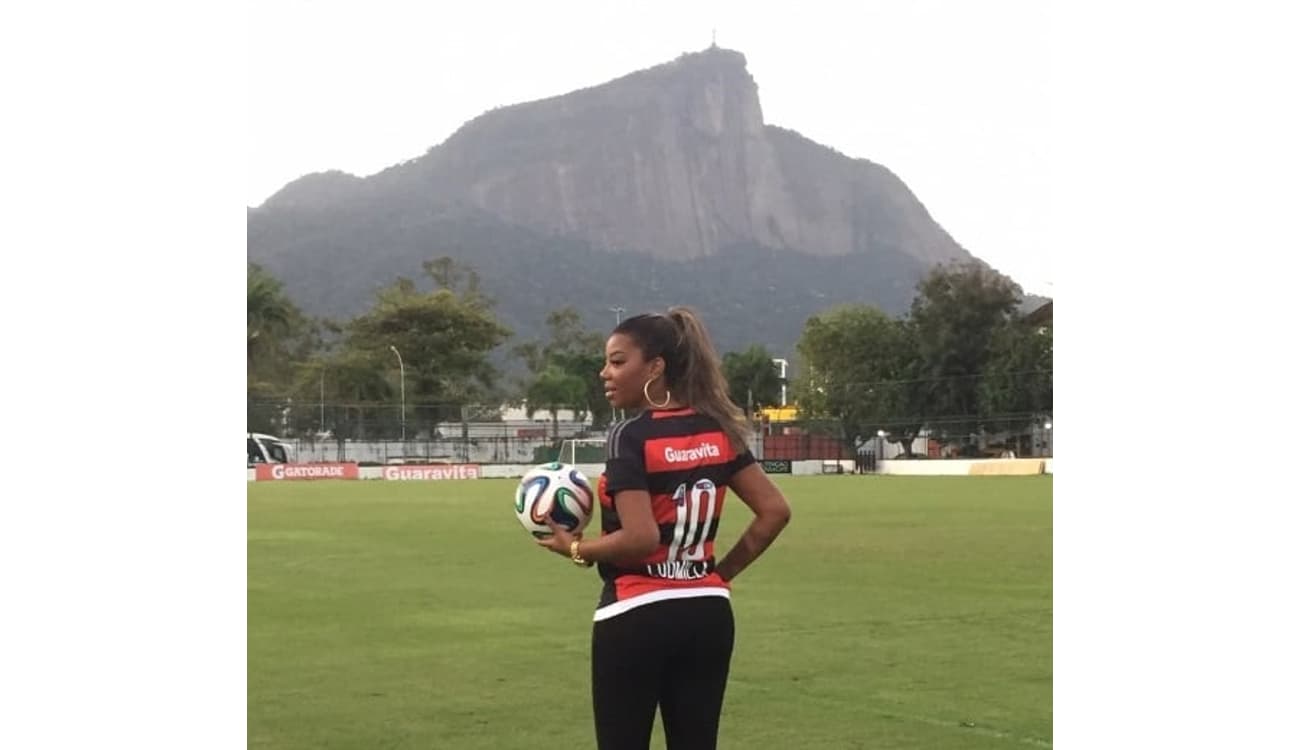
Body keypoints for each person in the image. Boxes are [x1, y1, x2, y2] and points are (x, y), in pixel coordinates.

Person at [536, 307, 792, 750]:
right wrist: (716, 576)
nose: (605, 373)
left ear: (655, 368)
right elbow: (774, 511)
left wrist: (576, 548)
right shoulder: (719, 430)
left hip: (636, 614)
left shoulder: (629, 436)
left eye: (618, 362)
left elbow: (641, 539)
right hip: (707, 616)